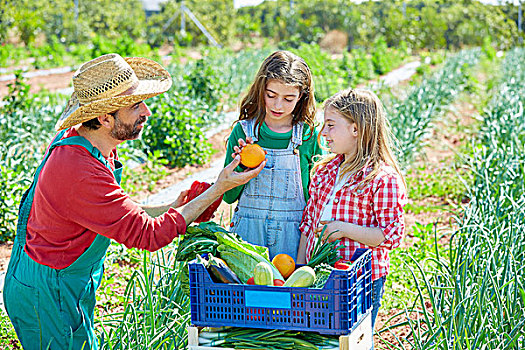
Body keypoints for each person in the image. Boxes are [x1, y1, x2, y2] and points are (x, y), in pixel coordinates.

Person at [3, 53, 264, 350]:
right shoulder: (78, 169)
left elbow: (117, 212)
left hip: (64, 282)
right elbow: (148, 235)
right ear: (105, 118)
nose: (147, 112)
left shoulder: (92, 144)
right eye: (135, 105)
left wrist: (174, 207)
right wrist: (219, 188)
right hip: (47, 293)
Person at [297, 88, 407, 334]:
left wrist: (344, 229)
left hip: (361, 281)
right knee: (321, 339)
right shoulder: (325, 171)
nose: (323, 133)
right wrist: (300, 266)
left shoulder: (381, 178)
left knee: (353, 338)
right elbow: (308, 223)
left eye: (330, 125)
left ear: (356, 129)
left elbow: (390, 234)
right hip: (319, 274)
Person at [223, 50, 322, 260]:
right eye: (271, 95)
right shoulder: (243, 133)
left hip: (294, 238)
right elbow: (229, 196)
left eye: (288, 99)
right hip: (248, 235)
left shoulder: (308, 135)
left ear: (301, 97)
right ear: (261, 90)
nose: (278, 105)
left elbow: (318, 198)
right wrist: (242, 166)